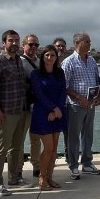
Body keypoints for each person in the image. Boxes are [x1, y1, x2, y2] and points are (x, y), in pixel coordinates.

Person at [0, 30, 26, 196]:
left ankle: (13, 178)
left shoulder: (18, 61)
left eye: (17, 40)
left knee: (16, 148)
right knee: (1, 148)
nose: (15, 43)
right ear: (4, 43)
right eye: (11, 40)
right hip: (5, 111)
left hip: (20, 110)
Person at [62, 32, 100, 179]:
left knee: (88, 135)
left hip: (90, 105)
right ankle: (73, 166)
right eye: (87, 41)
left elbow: (97, 81)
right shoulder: (68, 62)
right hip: (75, 106)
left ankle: (87, 163)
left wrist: (99, 95)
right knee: (73, 137)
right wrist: (80, 98)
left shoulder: (92, 61)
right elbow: (64, 86)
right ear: (78, 43)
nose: (90, 44)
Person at [30, 45, 67, 189]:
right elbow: (39, 94)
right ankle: (42, 178)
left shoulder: (60, 73)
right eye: (47, 55)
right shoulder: (36, 74)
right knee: (48, 147)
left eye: (52, 55)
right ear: (42, 57)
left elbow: (63, 92)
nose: (50, 58)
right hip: (42, 113)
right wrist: (53, 108)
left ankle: (50, 177)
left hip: (58, 113)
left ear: (56, 58)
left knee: (54, 148)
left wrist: (57, 109)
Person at [19, 33, 42, 182]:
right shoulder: (19, 62)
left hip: (37, 106)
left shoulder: (40, 62)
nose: (33, 47)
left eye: (36, 45)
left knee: (36, 139)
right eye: (30, 44)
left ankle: (36, 166)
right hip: (23, 106)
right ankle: (18, 168)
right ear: (24, 46)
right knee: (19, 140)